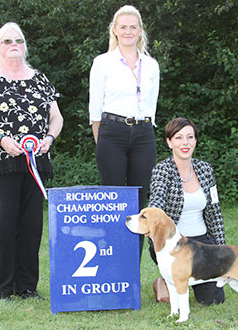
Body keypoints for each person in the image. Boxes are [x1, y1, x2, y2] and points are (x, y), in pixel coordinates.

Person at [0, 22, 63, 300]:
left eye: (18, 40)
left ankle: (27, 286)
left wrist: (50, 138)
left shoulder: (40, 78)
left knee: (32, 227)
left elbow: (56, 117)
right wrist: (1, 140)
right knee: (4, 225)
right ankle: (0, 287)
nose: (14, 45)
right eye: (7, 41)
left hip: (36, 161)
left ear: (25, 45)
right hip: (0, 160)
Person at [89, 5, 160, 254]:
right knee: (114, 201)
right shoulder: (102, 63)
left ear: (140, 31)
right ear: (115, 31)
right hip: (112, 132)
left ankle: (132, 266)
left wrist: (145, 130)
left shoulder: (151, 66)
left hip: (143, 135)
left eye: (133, 27)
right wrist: (103, 143)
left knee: (139, 203)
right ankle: (113, 261)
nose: (128, 31)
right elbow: (95, 111)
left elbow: (152, 106)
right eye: (123, 27)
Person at [148, 117, 225, 305]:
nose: (185, 143)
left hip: (202, 244)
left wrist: (221, 249)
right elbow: (156, 200)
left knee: (213, 301)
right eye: (179, 137)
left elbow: (215, 212)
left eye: (190, 137)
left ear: (195, 141)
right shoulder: (162, 170)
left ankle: (176, 280)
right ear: (169, 142)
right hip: (173, 243)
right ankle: (166, 280)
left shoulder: (205, 170)